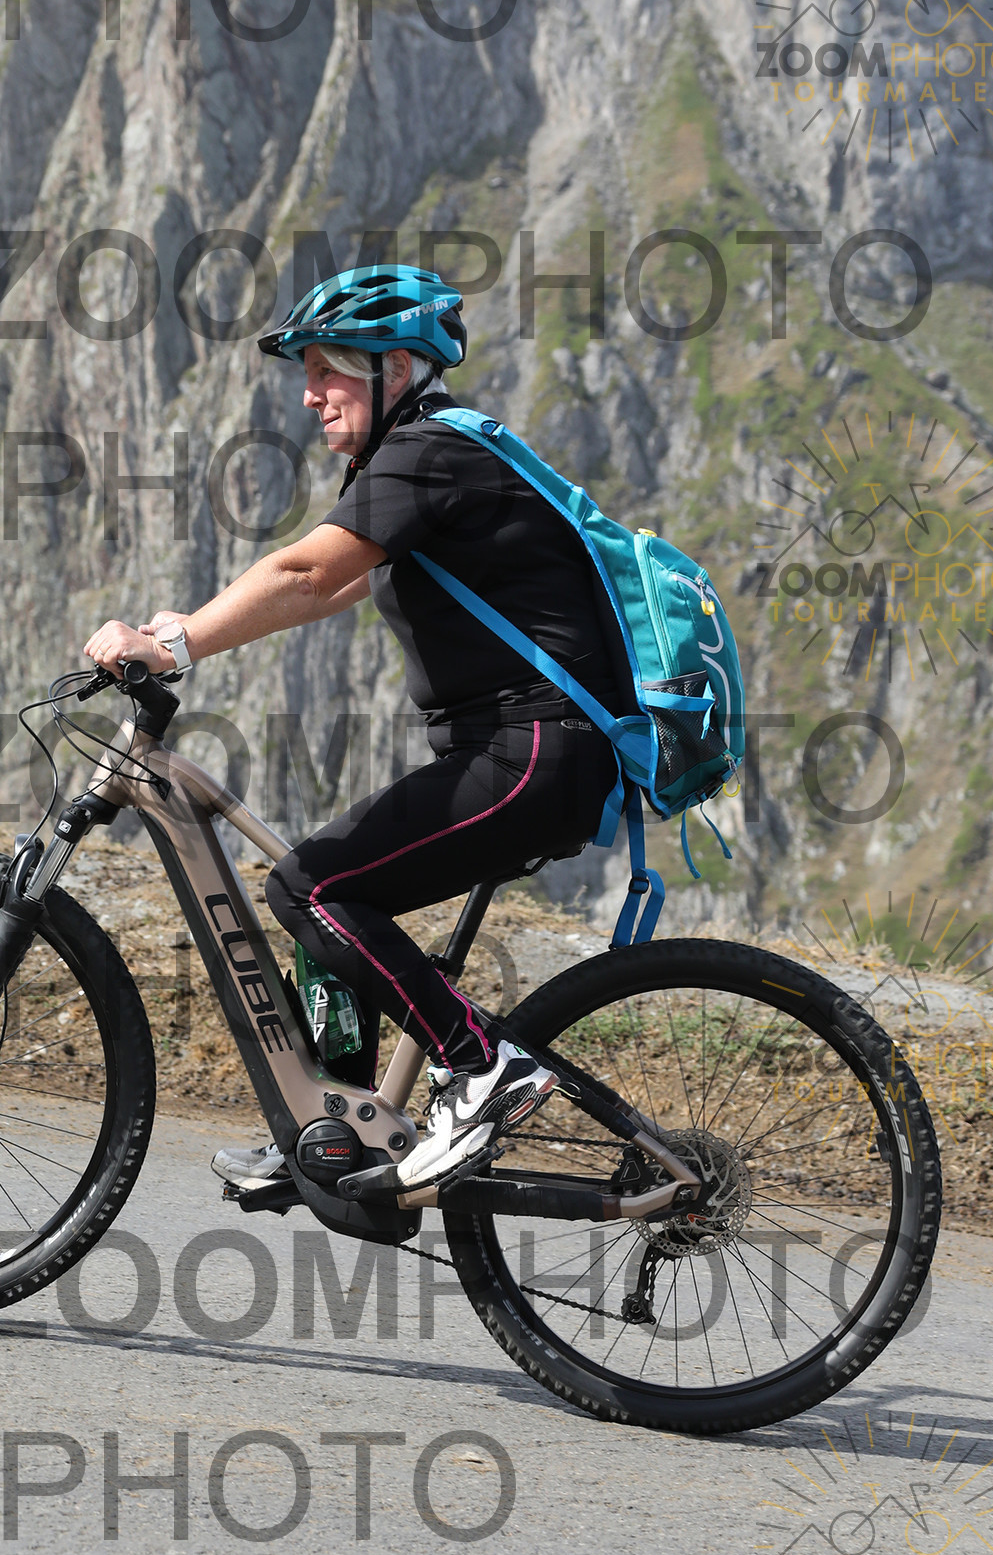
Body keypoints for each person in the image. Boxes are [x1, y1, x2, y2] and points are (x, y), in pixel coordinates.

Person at [82, 264, 629, 1190]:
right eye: (308, 372)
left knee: (310, 887)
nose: (309, 394)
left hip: (535, 753)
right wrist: (191, 628)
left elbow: (304, 575)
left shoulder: (433, 451)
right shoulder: (415, 460)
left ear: (397, 368)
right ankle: (334, 1126)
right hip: (525, 753)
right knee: (325, 881)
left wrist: (172, 645)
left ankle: (484, 1067)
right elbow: (327, 584)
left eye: (328, 368)